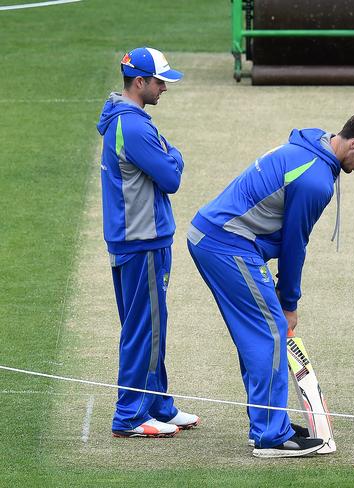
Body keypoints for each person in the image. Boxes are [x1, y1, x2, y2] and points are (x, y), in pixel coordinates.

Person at [188, 111, 354, 457]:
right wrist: (289, 304)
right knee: (270, 332)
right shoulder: (316, 181)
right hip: (227, 244)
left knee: (259, 333)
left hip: (215, 238)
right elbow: (294, 246)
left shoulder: (312, 143)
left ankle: (267, 424)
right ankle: (270, 436)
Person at [97, 47, 199, 438]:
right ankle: (129, 415)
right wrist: (174, 154)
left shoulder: (123, 120)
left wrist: (169, 155)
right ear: (139, 82)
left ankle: (157, 404)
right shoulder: (137, 128)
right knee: (145, 329)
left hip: (130, 239)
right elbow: (172, 177)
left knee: (148, 326)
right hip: (143, 241)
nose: (164, 89)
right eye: (160, 82)